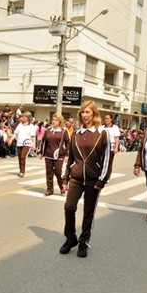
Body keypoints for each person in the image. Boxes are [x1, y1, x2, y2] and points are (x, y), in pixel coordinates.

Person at [60, 101, 112, 258]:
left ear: (94, 114)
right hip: (76, 177)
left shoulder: (102, 133)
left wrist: (102, 180)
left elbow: (107, 159)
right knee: (69, 207)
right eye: (82, 112)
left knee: (88, 212)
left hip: (93, 179)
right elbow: (70, 157)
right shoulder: (76, 133)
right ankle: (71, 238)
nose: (84, 115)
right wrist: (65, 178)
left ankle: (83, 242)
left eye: (88, 112)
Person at [38, 113, 70, 196]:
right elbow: (43, 142)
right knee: (49, 173)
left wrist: (67, 154)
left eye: (56, 120)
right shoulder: (48, 130)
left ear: (60, 121)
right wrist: (41, 152)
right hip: (48, 154)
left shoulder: (64, 131)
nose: (54, 121)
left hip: (59, 155)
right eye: (53, 120)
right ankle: (49, 189)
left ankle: (62, 186)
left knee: (58, 172)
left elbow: (68, 143)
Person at [8, 111, 36, 178]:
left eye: (24, 117)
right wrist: (11, 140)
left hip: (27, 143)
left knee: (23, 157)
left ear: (28, 118)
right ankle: (20, 170)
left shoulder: (31, 126)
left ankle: (22, 171)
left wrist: (34, 145)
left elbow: (33, 136)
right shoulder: (20, 125)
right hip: (19, 143)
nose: (22, 118)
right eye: (22, 116)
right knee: (20, 157)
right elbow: (15, 133)